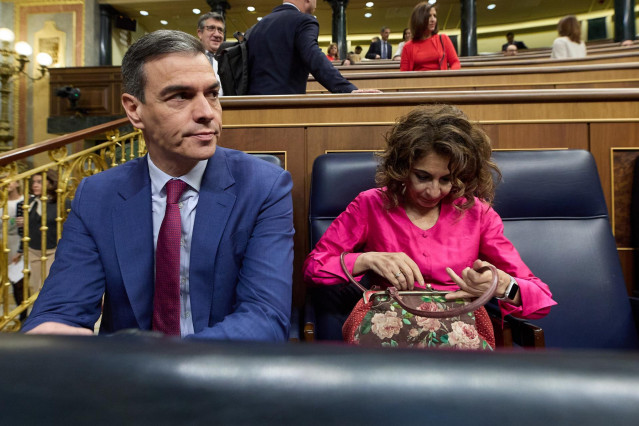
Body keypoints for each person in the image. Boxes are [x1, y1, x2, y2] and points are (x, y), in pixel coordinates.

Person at [22, 30, 295, 341]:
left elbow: (265, 319)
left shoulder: (263, 186)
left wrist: (154, 362)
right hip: (128, 382)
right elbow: (58, 314)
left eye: (212, 94)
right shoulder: (98, 195)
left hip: (223, 375)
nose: (207, 113)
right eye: (180, 96)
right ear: (134, 110)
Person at [303, 105, 556, 346]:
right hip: (388, 324)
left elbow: (541, 300)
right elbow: (314, 267)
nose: (434, 191)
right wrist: (366, 260)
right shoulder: (370, 204)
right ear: (402, 167)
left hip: (460, 329)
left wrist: (503, 286)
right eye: (423, 177)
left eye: (446, 180)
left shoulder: (478, 214)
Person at [247, 0, 373, 95]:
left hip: (249, 108)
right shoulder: (303, 21)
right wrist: (348, 90)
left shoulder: (256, 27)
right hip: (284, 110)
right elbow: (313, 57)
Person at [14, 171, 69, 296]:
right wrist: (24, 222)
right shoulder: (30, 202)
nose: (35, 185)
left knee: (45, 287)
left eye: (39, 182)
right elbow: (26, 229)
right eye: (34, 182)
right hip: (33, 250)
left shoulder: (61, 202)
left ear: (51, 183)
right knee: (36, 290)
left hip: (53, 251)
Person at [400, 2, 460, 71]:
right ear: (419, 19)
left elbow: (455, 63)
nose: (433, 20)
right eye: (429, 16)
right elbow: (404, 73)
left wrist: (448, 77)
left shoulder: (443, 39)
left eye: (434, 16)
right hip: (418, 81)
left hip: (441, 80)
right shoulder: (407, 47)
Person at [197, 12, 226, 96]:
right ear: (200, 33)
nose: (217, 34)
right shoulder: (189, 58)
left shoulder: (228, 61)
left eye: (220, 30)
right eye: (211, 28)